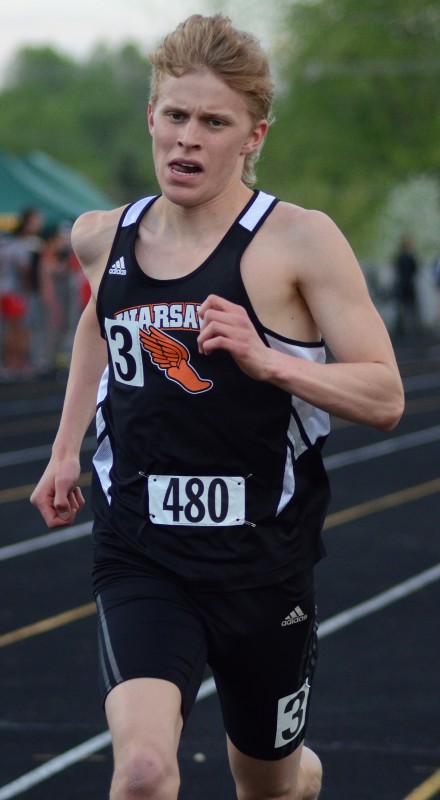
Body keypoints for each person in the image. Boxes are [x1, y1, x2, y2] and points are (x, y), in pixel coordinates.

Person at [30, 14, 404, 800]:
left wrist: (267, 361)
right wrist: (66, 449)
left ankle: (299, 777)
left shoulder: (300, 242)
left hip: (264, 565)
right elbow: (99, 323)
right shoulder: (102, 236)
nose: (187, 140)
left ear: (253, 136)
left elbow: (384, 395)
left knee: (267, 784)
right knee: (140, 771)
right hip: (141, 547)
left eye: (213, 122)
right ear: (151, 118)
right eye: (175, 116)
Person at [393, 235, 420, 337]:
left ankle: (406, 327)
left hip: (404, 284)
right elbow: (415, 269)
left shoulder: (400, 257)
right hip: (407, 285)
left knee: (405, 307)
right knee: (409, 307)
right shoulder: (409, 258)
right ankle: (407, 328)